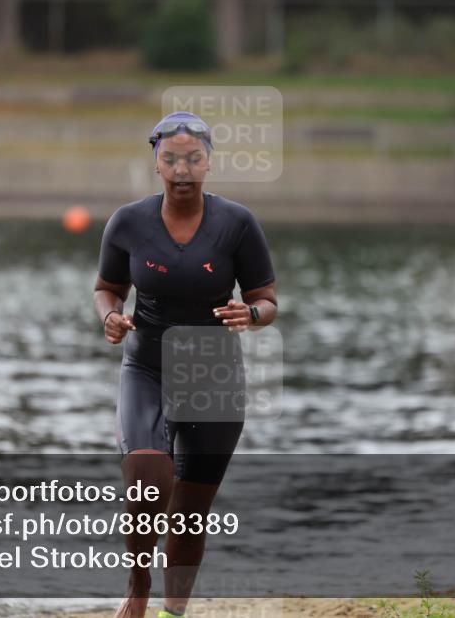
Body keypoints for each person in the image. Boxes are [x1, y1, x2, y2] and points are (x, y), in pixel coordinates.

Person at [93, 111, 278, 618]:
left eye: (193, 159)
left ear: (209, 163)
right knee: (147, 478)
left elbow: (266, 299)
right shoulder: (128, 222)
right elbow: (107, 287)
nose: (182, 170)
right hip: (147, 368)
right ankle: (138, 584)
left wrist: (251, 314)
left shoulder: (236, 223)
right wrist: (110, 316)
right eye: (171, 159)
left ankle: (174, 612)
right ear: (156, 164)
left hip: (213, 375)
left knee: (191, 514)